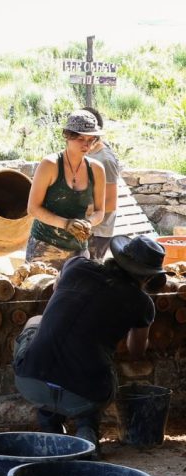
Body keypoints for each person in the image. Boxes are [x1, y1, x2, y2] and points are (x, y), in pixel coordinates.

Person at [12, 234, 165, 453]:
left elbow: (58, 292)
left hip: (30, 380)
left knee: (36, 322)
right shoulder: (142, 303)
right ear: (148, 277)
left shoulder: (76, 265)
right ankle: (87, 427)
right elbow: (136, 351)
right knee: (100, 363)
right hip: (86, 394)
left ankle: (49, 423)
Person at [26, 109, 106, 269]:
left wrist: (87, 223)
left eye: (91, 139)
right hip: (45, 245)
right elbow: (33, 208)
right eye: (81, 138)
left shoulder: (97, 169)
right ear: (68, 136)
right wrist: (66, 224)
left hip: (78, 249)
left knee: (78, 292)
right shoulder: (50, 165)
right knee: (41, 291)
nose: (86, 144)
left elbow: (100, 212)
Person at [83, 106, 120, 261]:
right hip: (85, 227)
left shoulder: (105, 159)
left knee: (90, 277)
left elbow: (110, 203)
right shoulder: (87, 153)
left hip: (97, 233)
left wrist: (83, 213)